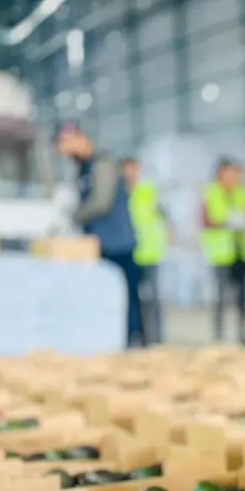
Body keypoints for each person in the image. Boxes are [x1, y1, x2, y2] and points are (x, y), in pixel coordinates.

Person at [56, 122, 145, 347]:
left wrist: (73, 218)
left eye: (63, 144)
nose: (62, 151)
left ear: (77, 138)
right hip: (100, 244)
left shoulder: (102, 164)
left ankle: (132, 344)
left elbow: (101, 202)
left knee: (127, 299)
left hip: (118, 244)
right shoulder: (83, 168)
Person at [202, 157, 245, 345]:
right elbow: (205, 219)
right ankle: (219, 337)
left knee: (243, 298)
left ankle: (243, 334)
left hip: (241, 250)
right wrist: (226, 222)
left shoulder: (242, 192)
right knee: (221, 297)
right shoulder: (211, 192)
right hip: (221, 253)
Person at [122, 157, 168, 344]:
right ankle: (135, 335)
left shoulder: (149, 190)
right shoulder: (120, 192)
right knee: (132, 297)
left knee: (153, 298)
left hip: (150, 250)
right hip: (129, 249)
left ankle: (155, 338)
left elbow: (161, 215)